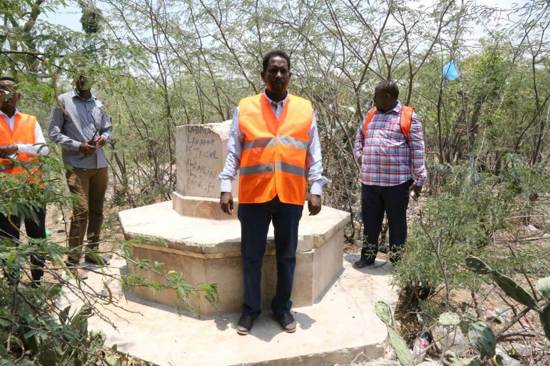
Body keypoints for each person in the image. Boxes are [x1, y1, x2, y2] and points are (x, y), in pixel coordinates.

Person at [219, 50, 327, 335]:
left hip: (290, 196)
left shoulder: (305, 109)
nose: (278, 75)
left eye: (283, 70)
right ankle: (250, 310)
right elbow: (234, 151)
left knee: (287, 256)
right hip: (255, 195)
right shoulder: (246, 108)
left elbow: (313, 153)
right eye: (273, 71)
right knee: (251, 256)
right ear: (263, 75)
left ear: (290, 75)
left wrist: (315, 188)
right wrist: (225, 186)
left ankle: (282, 308)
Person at [353, 80, 427, 267]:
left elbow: (418, 150)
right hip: (370, 181)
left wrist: (419, 179)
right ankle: (367, 257)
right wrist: (362, 155)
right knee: (370, 223)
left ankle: (397, 261)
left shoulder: (408, 117)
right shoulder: (371, 114)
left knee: (397, 224)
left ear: (388, 97)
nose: (373, 98)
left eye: (376, 95)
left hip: (397, 183)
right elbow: (359, 137)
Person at [48, 71, 112, 278]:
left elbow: (107, 128)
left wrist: (104, 138)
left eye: (88, 75)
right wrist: (78, 146)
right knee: (81, 211)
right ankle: (73, 262)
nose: (84, 79)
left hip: (99, 164)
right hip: (76, 165)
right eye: (80, 75)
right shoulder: (63, 101)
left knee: (97, 211)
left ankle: (92, 253)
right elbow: (54, 133)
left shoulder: (98, 103)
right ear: (75, 78)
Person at [0, 76, 49, 286]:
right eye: (2, 90)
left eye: (11, 91)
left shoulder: (30, 120)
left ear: (18, 95)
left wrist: (17, 148)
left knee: (37, 236)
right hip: (5, 194)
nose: (7, 94)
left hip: (33, 190)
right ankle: (13, 285)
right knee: (9, 239)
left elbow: (43, 149)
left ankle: (38, 281)